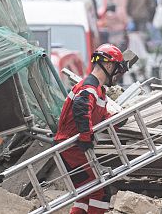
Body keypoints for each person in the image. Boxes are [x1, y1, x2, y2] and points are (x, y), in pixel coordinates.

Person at [54, 44, 129, 213]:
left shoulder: (98, 91)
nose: (117, 75)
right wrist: (86, 137)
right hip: (71, 149)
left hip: (71, 149)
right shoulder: (89, 88)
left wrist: (116, 122)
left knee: (85, 195)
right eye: (117, 69)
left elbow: (98, 116)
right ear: (109, 66)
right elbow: (81, 108)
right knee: (99, 193)